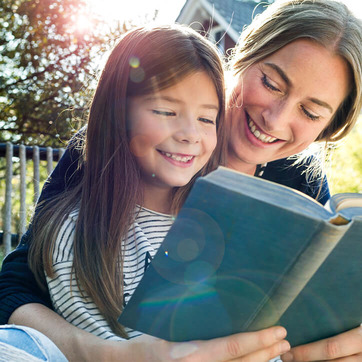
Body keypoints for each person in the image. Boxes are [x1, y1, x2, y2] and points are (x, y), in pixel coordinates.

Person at [1, 0, 362, 360]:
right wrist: (107, 355)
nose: (276, 120)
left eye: (310, 112)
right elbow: (18, 284)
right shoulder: (123, 151)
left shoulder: (300, 184)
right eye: (271, 83)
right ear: (244, 57)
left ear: (328, 126)